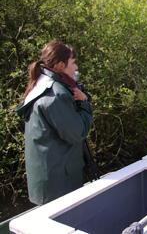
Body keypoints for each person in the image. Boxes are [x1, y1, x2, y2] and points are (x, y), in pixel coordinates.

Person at [16, 40, 93, 205]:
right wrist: (85, 103)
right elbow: (77, 133)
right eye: (73, 63)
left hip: (46, 181)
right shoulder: (55, 95)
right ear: (60, 66)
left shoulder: (40, 84)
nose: (76, 68)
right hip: (59, 184)